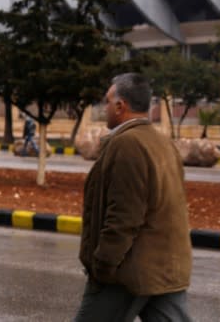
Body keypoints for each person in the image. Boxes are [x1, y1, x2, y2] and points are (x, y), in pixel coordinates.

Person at [74, 73, 193, 322]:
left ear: (120, 106)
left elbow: (124, 217)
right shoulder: (162, 142)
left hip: (128, 273)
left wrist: (103, 266)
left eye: (107, 102)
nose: (104, 108)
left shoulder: (127, 144)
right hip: (167, 270)